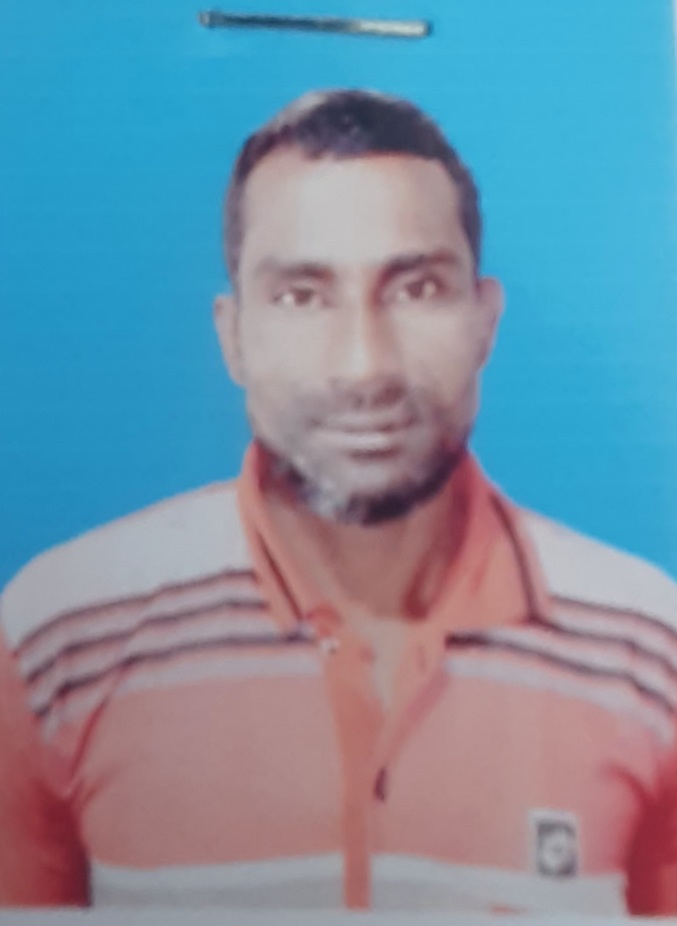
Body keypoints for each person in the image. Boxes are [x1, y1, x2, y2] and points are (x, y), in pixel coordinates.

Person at [1, 88, 676, 916]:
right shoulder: (57, 643)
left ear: (485, 321)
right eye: (302, 296)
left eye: (416, 288)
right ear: (232, 336)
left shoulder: (649, 652)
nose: (363, 367)